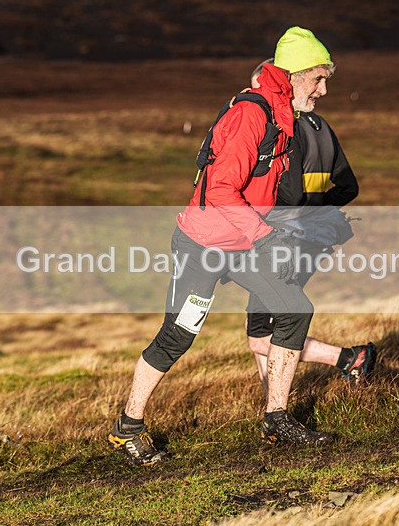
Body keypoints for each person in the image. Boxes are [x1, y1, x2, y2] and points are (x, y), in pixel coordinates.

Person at [108, 27, 339, 466]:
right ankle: (128, 427)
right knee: (178, 335)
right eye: (317, 80)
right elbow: (221, 190)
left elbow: (269, 187)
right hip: (204, 246)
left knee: (295, 308)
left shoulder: (281, 116)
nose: (323, 90)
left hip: (244, 243)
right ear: (291, 75)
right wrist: (266, 237)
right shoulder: (251, 115)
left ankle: (277, 418)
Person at [245, 57, 376, 394]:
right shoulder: (322, 127)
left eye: (259, 89)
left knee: (262, 334)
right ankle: (271, 404)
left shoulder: (282, 129)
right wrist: (318, 213)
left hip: (282, 239)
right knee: (263, 326)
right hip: (314, 237)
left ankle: (350, 358)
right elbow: (349, 188)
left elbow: (286, 196)